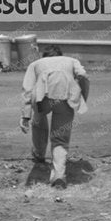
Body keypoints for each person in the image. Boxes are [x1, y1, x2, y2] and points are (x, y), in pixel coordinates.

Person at [19, 44, 90, 188]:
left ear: (45, 56)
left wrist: (25, 115)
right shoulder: (71, 61)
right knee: (60, 139)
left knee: (39, 125)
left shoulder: (36, 64)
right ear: (60, 54)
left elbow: (27, 89)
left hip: (41, 98)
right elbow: (83, 75)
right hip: (65, 97)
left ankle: (39, 155)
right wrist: (81, 94)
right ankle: (58, 176)